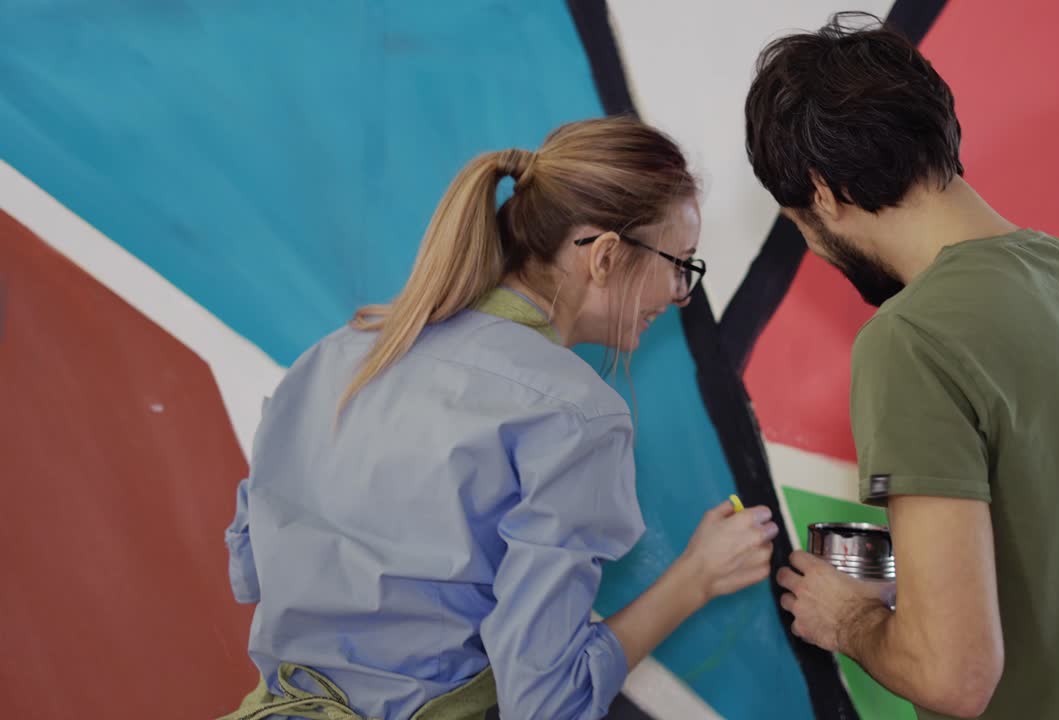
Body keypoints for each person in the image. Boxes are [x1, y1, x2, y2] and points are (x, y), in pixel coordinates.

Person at [743, 13, 1059, 720]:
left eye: (799, 226)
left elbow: (953, 675)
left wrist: (847, 619)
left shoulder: (911, 337)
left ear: (821, 192)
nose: (814, 248)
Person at [220, 116, 779, 720]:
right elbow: (546, 704)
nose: (679, 293)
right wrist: (694, 579)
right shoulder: (576, 416)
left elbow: (249, 570)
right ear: (606, 256)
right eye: (679, 263)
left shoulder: (339, 353)